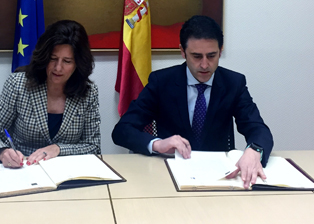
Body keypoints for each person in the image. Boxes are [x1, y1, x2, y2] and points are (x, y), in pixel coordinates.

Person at [112, 15, 273, 189]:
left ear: (220, 50)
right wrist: (158, 144)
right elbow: (122, 130)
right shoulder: (162, 82)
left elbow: (258, 128)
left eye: (211, 56)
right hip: (169, 175)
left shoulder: (233, 83)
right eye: (196, 56)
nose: (204, 65)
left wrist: (254, 151)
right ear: (182, 51)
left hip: (219, 177)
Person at [0, 20, 101, 168]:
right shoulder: (18, 84)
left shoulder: (88, 92)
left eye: (67, 61)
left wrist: (58, 149)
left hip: (67, 172)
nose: (58, 68)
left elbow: (93, 146)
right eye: (53, 59)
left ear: (78, 64)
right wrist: (2, 152)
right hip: (22, 168)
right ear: (44, 57)